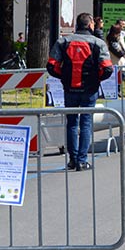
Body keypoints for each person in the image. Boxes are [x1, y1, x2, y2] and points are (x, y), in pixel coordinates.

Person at [47, 12, 114, 171]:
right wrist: (96, 79)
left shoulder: (63, 41)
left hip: (69, 88)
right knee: (85, 123)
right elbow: (108, 69)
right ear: (91, 25)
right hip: (89, 89)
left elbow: (51, 66)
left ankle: (73, 159)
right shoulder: (98, 43)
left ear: (77, 25)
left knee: (71, 123)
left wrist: (63, 77)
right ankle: (82, 161)